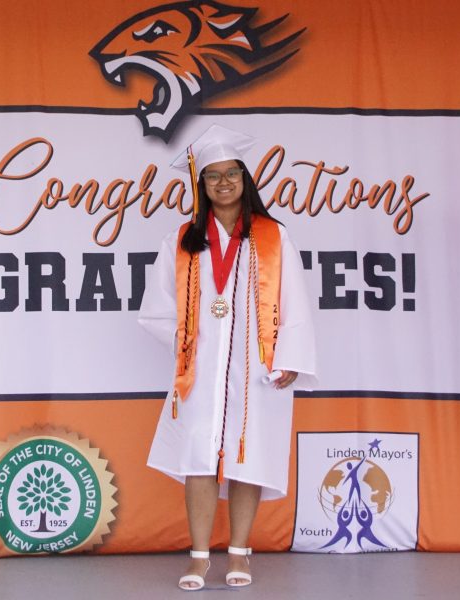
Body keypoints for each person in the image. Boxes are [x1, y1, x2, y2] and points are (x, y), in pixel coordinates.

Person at [138, 124, 317, 590]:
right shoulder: (182, 241)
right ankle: (198, 558)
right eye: (213, 175)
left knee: (247, 453)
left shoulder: (273, 237)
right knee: (198, 457)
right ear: (201, 184)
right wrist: (186, 344)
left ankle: (239, 553)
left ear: (245, 178)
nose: (223, 182)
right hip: (199, 369)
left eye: (231, 173)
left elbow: (295, 301)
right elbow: (156, 309)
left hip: (258, 367)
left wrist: (290, 357)